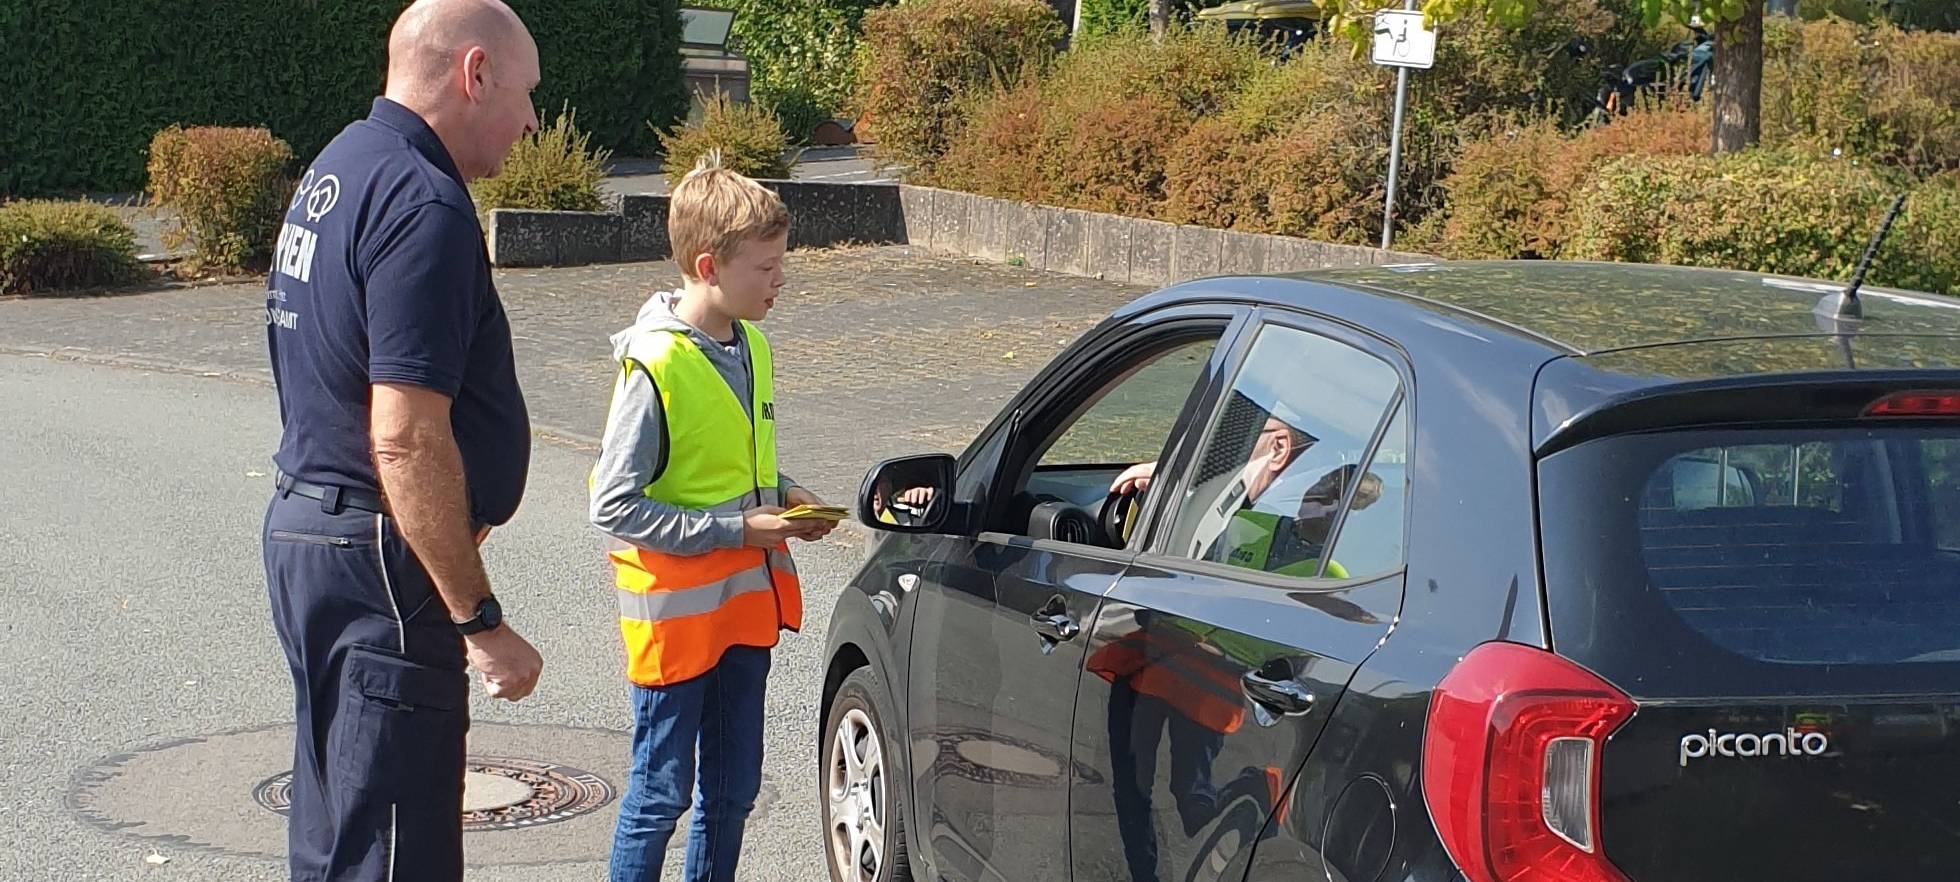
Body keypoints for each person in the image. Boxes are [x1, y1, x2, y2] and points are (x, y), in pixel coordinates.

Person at [259, 1, 544, 879]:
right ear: (475, 73)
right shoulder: (424, 203)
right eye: (527, 93)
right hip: (379, 562)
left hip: (314, 533)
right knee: (392, 853)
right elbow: (406, 439)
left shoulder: (342, 164)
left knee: (342, 836)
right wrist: (478, 618)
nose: (534, 120)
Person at [589, 155, 836, 882]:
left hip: (742, 615)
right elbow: (612, 505)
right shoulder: (655, 365)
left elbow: (739, 466)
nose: (779, 280)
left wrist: (789, 496)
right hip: (677, 625)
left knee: (732, 793)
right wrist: (737, 531)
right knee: (660, 795)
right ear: (708, 266)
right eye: (765, 267)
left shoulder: (753, 345)